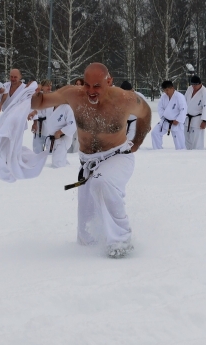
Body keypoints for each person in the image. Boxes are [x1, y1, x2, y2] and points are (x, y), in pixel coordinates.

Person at [29, 63, 151, 258]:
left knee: (102, 182)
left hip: (117, 156)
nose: (91, 91)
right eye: (87, 85)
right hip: (88, 163)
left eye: (97, 86)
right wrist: (35, 96)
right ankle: (89, 253)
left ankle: (121, 240)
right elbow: (40, 103)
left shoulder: (124, 98)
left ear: (109, 81)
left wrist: (137, 141)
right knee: (86, 227)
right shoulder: (73, 94)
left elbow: (146, 113)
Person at [151, 80, 186, 150]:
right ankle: (157, 150)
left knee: (180, 144)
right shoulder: (163, 97)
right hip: (165, 121)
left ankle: (181, 154)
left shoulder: (179, 97)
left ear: (172, 88)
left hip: (176, 122)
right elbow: (160, 108)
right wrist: (164, 116)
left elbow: (183, 110)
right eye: (164, 90)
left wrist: (178, 120)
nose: (166, 92)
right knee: (155, 133)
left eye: (167, 90)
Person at [184, 75, 206, 150]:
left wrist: (204, 121)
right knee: (186, 139)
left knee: (197, 141)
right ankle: (187, 153)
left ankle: (198, 154)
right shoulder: (189, 89)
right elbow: (184, 101)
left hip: (198, 119)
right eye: (192, 85)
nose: (194, 87)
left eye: (195, 85)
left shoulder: (205, 93)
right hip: (187, 118)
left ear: (200, 83)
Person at [30, 80, 53, 154]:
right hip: (38, 125)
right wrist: (34, 123)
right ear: (42, 87)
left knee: (50, 151)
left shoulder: (53, 96)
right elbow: (34, 109)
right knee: (37, 151)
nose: (49, 87)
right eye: (47, 85)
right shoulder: (37, 96)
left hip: (49, 126)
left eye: (50, 85)